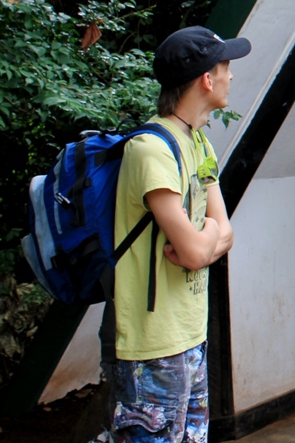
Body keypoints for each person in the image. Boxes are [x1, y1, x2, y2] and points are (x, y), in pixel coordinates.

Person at [110, 26, 249, 442]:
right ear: (207, 79)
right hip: (152, 346)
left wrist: (207, 236)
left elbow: (225, 233)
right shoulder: (150, 149)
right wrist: (207, 238)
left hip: (191, 334)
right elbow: (194, 252)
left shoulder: (199, 143)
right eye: (225, 67)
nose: (230, 76)